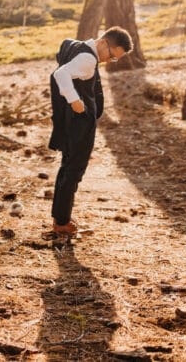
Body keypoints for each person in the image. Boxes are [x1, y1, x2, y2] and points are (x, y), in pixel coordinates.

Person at [48, 26, 133, 236]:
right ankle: (62, 223)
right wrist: (75, 101)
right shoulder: (87, 59)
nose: (109, 61)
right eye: (112, 55)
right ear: (103, 42)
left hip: (70, 122)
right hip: (79, 124)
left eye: (115, 59)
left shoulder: (75, 46)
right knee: (74, 171)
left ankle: (60, 218)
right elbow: (61, 74)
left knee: (67, 168)